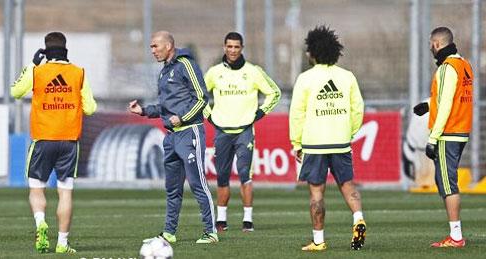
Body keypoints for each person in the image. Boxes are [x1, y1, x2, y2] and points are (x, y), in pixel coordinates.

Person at [11, 32, 97, 254]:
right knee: (65, 192)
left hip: (42, 138)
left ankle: (40, 223)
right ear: (65, 48)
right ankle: (62, 243)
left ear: (45, 50)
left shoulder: (38, 72)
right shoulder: (78, 73)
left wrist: (31, 64)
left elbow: (16, 91)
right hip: (69, 140)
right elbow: (90, 108)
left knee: (36, 188)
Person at [129, 31, 218, 244]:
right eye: (151, 47)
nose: (152, 51)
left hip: (190, 133)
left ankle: (211, 232)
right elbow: (164, 107)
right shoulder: (163, 72)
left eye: (155, 46)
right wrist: (143, 110)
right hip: (170, 137)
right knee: (172, 189)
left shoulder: (186, 64)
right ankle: (169, 233)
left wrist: (183, 118)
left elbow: (202, 98)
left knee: (198, 184)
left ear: (169, 46)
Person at [289, 26, 366, 251]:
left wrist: (296, 142)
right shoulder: (347, 77)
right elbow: (358, 109)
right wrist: (348, 132)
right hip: (340, 141)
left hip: (314, 143)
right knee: (347, 184)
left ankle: (319, 240)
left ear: (312, 52)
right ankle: (358, 218)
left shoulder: (305, 79)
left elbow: (297, 113)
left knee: (316, 193)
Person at [203, 32, 281, 232]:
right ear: (224, 47)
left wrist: (260, 112)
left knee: (245, 175)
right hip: (222, 132)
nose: (232, 50)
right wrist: (210, 117)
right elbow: (199, 96)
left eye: (236, 47)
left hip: (245, 131)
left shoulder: (253, 71)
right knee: (222, 176)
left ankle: (248, 220)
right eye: (229, 46)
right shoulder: (214, 72)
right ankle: (221, 220)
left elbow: (275, 92)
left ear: (242, 48)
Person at [412, 27, 473, 248]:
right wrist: (427, 105)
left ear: (437, 44)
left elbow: (446, 104)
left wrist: (433, 138)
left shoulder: (447, 69)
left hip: (448, 133)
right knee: (444, 182)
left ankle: (456, 236)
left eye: (431, 44)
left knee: (448, 185)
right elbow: (450, 97)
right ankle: (455, 234)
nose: (430, 48)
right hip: (460, 130)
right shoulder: (464, 65)